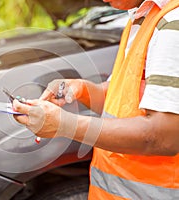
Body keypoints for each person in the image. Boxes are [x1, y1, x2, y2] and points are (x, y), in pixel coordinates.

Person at [13, 0, 179, 199]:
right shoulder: (143, 16)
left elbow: (164, 135)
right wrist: (83, 90)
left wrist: (66, 125)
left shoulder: (172, 25)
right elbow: (123, 99)